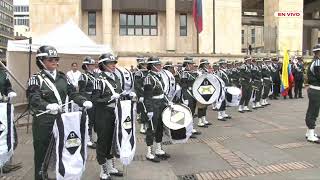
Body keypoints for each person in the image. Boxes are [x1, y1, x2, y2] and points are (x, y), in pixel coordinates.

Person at [26, 45, 92, 180]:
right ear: (41, 61)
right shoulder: (36, 79)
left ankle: (58, 175)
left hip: (61, 120)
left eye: (56, 59)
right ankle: (40, 176)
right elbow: (33, 98)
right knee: (42, 152)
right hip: (44, 121)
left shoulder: (62, 77)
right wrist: (47, 105)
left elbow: (73, 93)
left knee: (61, 150)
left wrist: (82, 101)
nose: (55, 62)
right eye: (50, 60)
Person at [92, 53, 124, 180]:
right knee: (103, 142)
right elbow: (95, 99)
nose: (113, 65)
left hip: (114, 113)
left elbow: (119, 92)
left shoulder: (115, 78)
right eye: (110, 63)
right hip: (103, 114)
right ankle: (103, 170)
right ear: (103, 65)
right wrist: (109, 98)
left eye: (114, 63)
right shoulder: (98, 80)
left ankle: (111, 167)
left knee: (112, 140)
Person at [143, 57, 170, 162]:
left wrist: (168, 101)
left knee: (159, 128)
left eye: (160, 64)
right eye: (157, 64)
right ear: (152, 66)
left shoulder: (159, 76)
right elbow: (147, 97)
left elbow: (162, 92)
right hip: (153, 105)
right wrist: (149, 110)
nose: (160, 66)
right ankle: (149, 152)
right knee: (152, 129)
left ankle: (159, 149)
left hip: (161, 104)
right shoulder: (149, 78)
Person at [0, 60, 21, 173]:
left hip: (3, 110)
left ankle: (6, 164)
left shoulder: (3, 73)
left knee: (11, 138)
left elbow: (8, 86)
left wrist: (10, 91)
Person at [78, 56, 97, 149]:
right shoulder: (83, 76)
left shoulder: (95, 75)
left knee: (93, 120)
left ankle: (92, 137)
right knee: (88, 121)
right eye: (91, 65)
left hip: (95, 100)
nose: (93, 66)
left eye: (93, 64)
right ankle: (88, 139)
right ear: (86, 66)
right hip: (88, 101)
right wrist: (85, 102)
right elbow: (81, 91)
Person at [305, 44, 320, 143]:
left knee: (313, 110)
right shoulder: (317, 63)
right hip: (316, 90)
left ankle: (309, 132)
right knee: (313, 112)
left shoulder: (315, 62)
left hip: (315, 90)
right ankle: (310, 134)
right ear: (317, 53)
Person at [134, 56, 149, 134]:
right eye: (143, 64)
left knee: (148, 110)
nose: (145, 66)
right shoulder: (138, 73)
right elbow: (137, 85)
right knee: (143, 110)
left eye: (146, 64)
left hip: (149, 94)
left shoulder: (149, 72)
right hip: (142, 94)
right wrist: (141, 95)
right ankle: (142, 126)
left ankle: (147, 125)